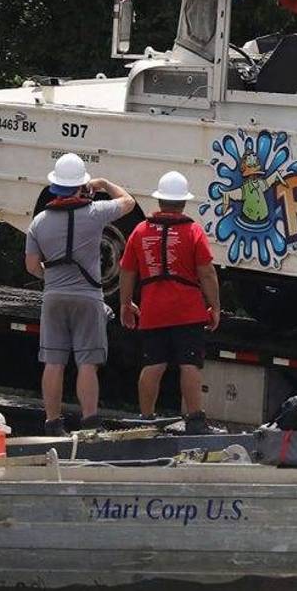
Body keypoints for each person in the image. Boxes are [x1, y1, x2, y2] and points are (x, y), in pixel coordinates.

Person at [24, 153, 135, 436]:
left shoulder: (39, 222)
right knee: (87, 362)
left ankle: (52, 423)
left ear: (55, 187)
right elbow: (128, 202)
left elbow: (32, 266)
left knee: (53, 361)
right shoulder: (95, 213)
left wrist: (52, 278)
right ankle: (89, 422)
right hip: (88, 297)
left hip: (54, 297)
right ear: (80, 186)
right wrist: (105, 184)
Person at [118, 171, 221, 435]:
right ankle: (195, 420)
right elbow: (207, 273)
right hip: (188, 311)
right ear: (183, 202)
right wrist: (215, 306)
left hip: (153, 309)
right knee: (190, 364)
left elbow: (128, 270)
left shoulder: (140, 231)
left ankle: (146, 417)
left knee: (153, 364)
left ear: (160, 200)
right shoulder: (193, 231)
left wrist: (126, 303)